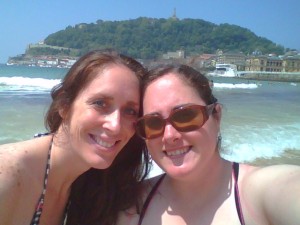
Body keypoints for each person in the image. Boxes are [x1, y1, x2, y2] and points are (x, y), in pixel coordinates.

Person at [117, 64, 300, 225]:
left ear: (217, 116)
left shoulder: (262, 191)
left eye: (186, 115)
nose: (169, 136)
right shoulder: (131, 204)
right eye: (152, 124)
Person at [0, 49, 150, 225]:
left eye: (130, 111)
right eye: (100, 103)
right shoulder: (8, 176)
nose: (115, 125)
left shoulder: (93, 184)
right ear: (64, 105)